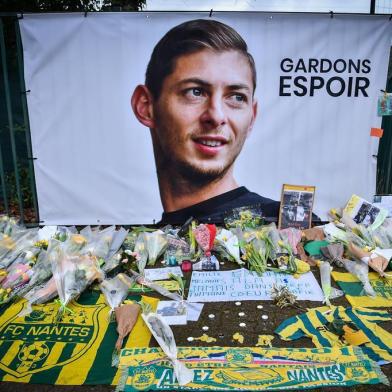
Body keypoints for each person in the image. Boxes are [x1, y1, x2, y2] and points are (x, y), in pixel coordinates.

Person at [131, 19, 279, 225]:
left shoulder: (288, 232)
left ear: (252, 117)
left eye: (236, 97)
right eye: (196, 92)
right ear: (146, 106)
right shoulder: (138, 246)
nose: (216, 116)